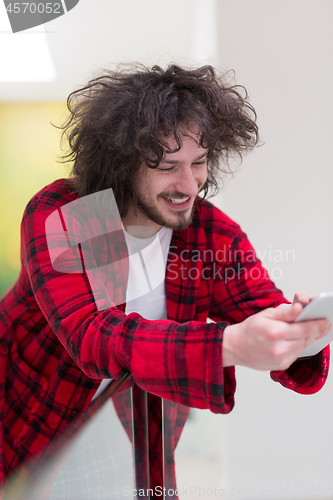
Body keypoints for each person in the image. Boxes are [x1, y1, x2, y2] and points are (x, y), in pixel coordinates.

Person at [0, 64, 330, 492]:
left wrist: (299, 331)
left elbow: (261, 304)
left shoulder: (209, 232)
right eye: (167, 165)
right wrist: (229, 345)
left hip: (136, 428)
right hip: (33, 415)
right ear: (122, 163)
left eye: (199, 162)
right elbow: (94, 337)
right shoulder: (69, 212)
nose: (189, 184)